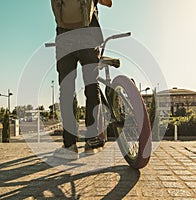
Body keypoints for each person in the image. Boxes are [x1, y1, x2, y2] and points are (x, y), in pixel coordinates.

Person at [52, 0, 113, 160]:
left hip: (64, 37)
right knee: (92, 87)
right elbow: (109, 2)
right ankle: (92, 140)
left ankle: (70, 146)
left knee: (66, 91)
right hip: (88, 37)